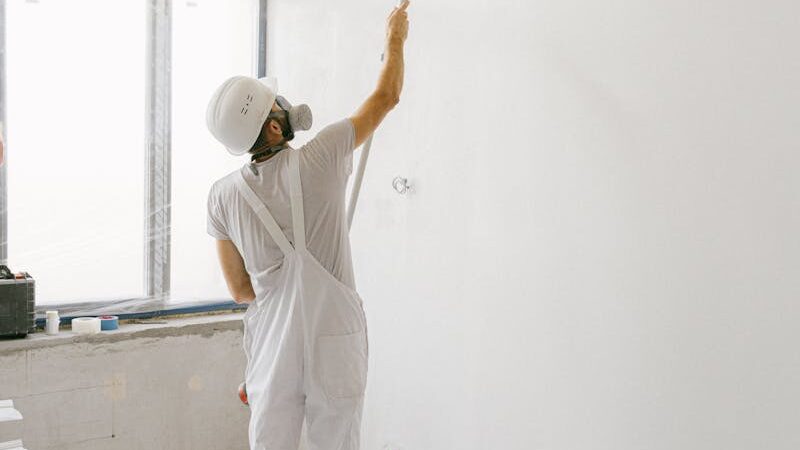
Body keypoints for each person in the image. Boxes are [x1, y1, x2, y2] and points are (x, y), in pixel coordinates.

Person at [204, 2, 410, 449]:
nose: (284, 105)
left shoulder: (222, 196)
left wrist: (284, 320)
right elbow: (387, 97)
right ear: (275, 129)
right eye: (276, 105)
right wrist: (395, 38)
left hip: (273, 353)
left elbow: (241, 291)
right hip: (333, 340)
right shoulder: (325, 155)